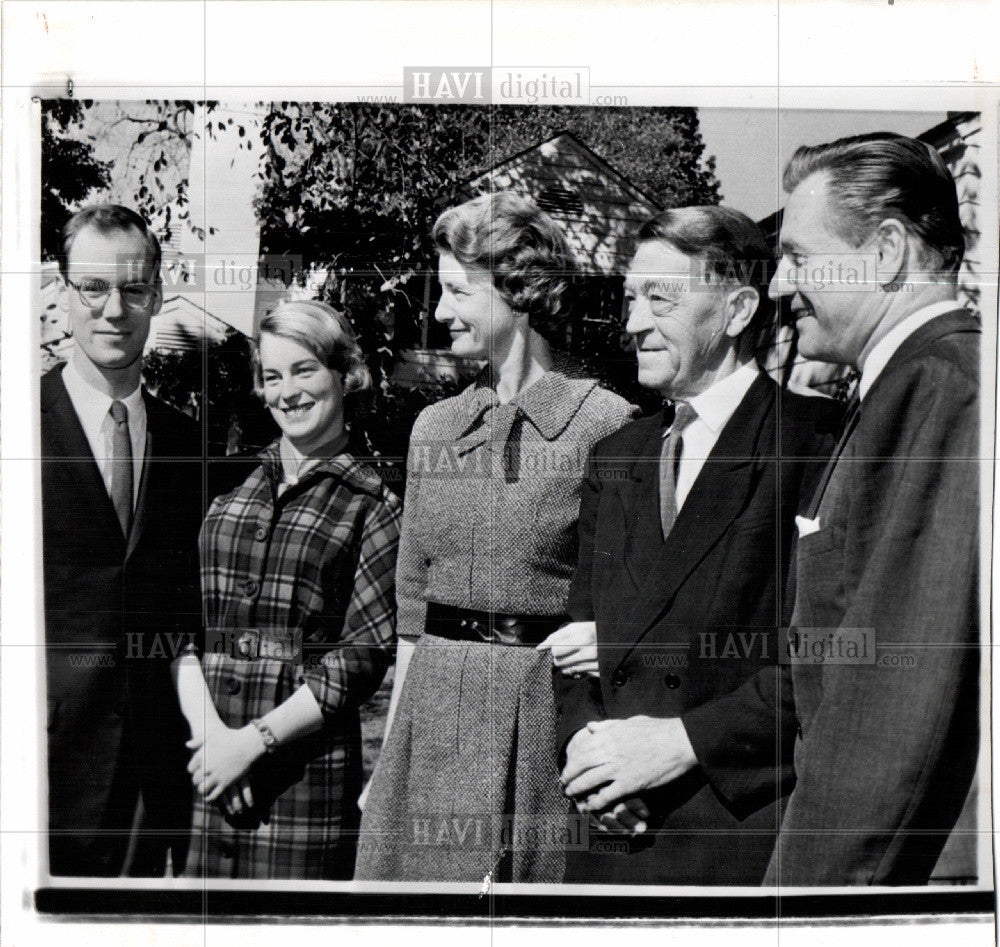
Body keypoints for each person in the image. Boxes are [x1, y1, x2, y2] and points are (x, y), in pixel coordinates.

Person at [554, 207, 841, 885]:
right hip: (609, 833)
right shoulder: (614, 455)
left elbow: (829, 657)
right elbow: (575, 643)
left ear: (739, 310)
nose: (631, 324)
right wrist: (590, 757)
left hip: (734, 835)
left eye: (661, 298)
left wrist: (680, 743)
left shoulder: (818, 444)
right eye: (629, 299)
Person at [355, 192, 636, 883]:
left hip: (542, 723)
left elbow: (632, 608)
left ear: (518, 289)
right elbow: (413, 621)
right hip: (430, 725)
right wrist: (387, 764)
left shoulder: (609, 424)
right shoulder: (433, 428)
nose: (440, 311)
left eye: (456, 290)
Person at [764, 133, 980, 886]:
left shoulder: (942, 389)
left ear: (886, 250)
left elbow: (892, 702)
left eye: (798, 257)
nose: (778, 287)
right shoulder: (908, 386)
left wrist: (796, 913)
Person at [175, 299, 402, 879]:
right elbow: (181, 622)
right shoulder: (227, 486)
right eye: (273, 376)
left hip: (303, 783)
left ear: (343, 374)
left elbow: (363, 656)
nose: (288, 392)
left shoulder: (373, 505)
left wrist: (252, 745)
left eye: (304, 370)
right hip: (210, 772)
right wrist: (213, 743)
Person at [42, 204, 203, 876]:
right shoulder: (15, 430)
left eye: (134, 289)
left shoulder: (188, 446)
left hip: (150, 779)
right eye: (94, 288)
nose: (115, 309)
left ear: (157, 295)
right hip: (37, 768)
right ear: (63, 291)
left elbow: (191, 609)